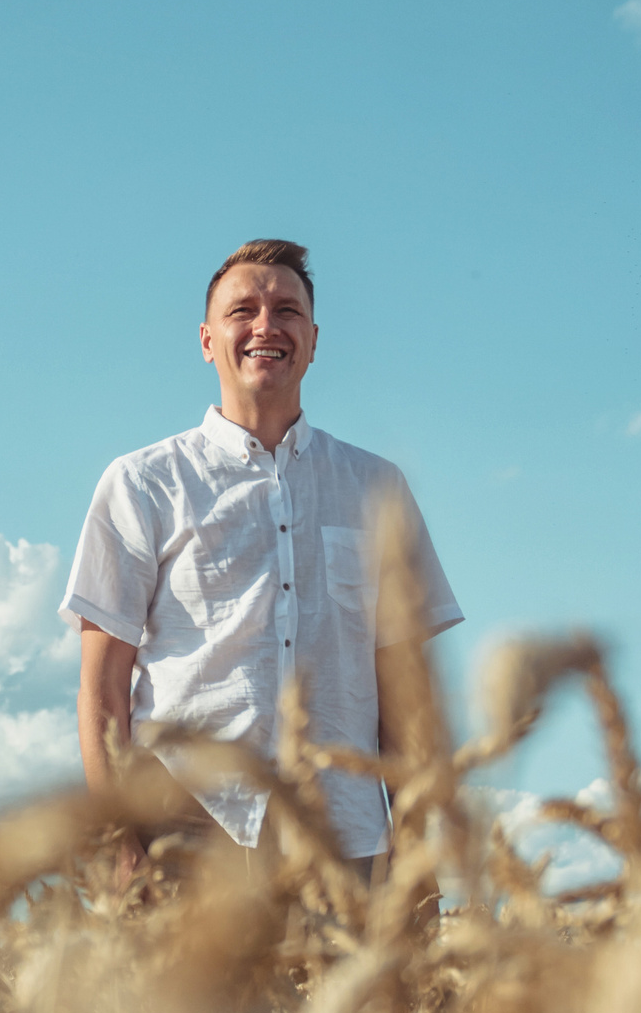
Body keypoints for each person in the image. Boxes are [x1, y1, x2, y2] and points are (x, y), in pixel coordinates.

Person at [59, 239, 463, 879]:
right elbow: (102, 683)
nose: (265, 327)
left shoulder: (377, 488)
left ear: (314, 337)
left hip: (346, 838)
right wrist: (116, 835)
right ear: (205, 339)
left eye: (287, 311)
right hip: (183, 828)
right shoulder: (142, 483)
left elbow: (404, 691)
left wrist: (416, 847)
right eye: (242, 310)